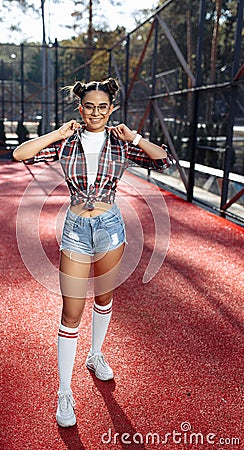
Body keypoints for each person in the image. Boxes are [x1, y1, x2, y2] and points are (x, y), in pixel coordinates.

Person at [13, 78, 172, 428]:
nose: (96, 112)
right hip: (75, 230)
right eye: (89, 106)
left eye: (103, 106)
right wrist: (56, 134)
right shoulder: (67, 142)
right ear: (80, 108)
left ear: (111, 108)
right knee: (72, 310)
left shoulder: (120, 143)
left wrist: (136, 138)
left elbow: (163, 161)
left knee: (104, 296)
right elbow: (20, 154)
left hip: (111, 227)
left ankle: (95, 355)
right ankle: (65, 392)